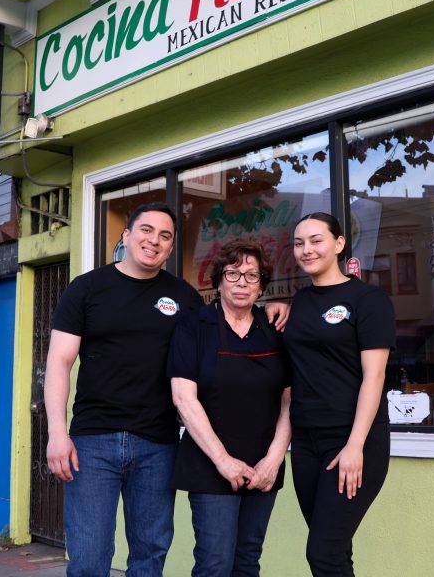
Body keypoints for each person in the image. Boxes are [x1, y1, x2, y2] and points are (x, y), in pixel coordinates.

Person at [45, 203, 288, 577]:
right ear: (126, 236)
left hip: (158, 444)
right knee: (90, 556)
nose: (153, 241)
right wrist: (57, 433)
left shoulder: (185, 298)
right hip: (93, 441)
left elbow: (229, 308)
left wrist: (268, 305)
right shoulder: (87, 289)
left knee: (150, 554)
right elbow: (60, 363)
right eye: (145, 231)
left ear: (171, 247)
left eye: (165, 236)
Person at [168, 239, 291, 577]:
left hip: (264, 465)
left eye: (252, 276)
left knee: (247, 561)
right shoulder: (194, 325)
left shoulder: (275, 328)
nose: (242, 283)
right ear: (218, 280)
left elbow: (290, 399)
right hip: (210, 464)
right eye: (233, 274)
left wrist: (274, 460)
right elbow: (183, 397)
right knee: (215, 563)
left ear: (262, 285)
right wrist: (223, 461)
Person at [283, 212, 396, 577]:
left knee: (323, 553)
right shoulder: (297, 303)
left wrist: (355, 445)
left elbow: (374, 377)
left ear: (338, 244)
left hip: (352, 442)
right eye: (299, 243)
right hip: (305, 443)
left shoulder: (368, 300)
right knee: (334, 549)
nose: (306, 250)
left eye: (316, 240)